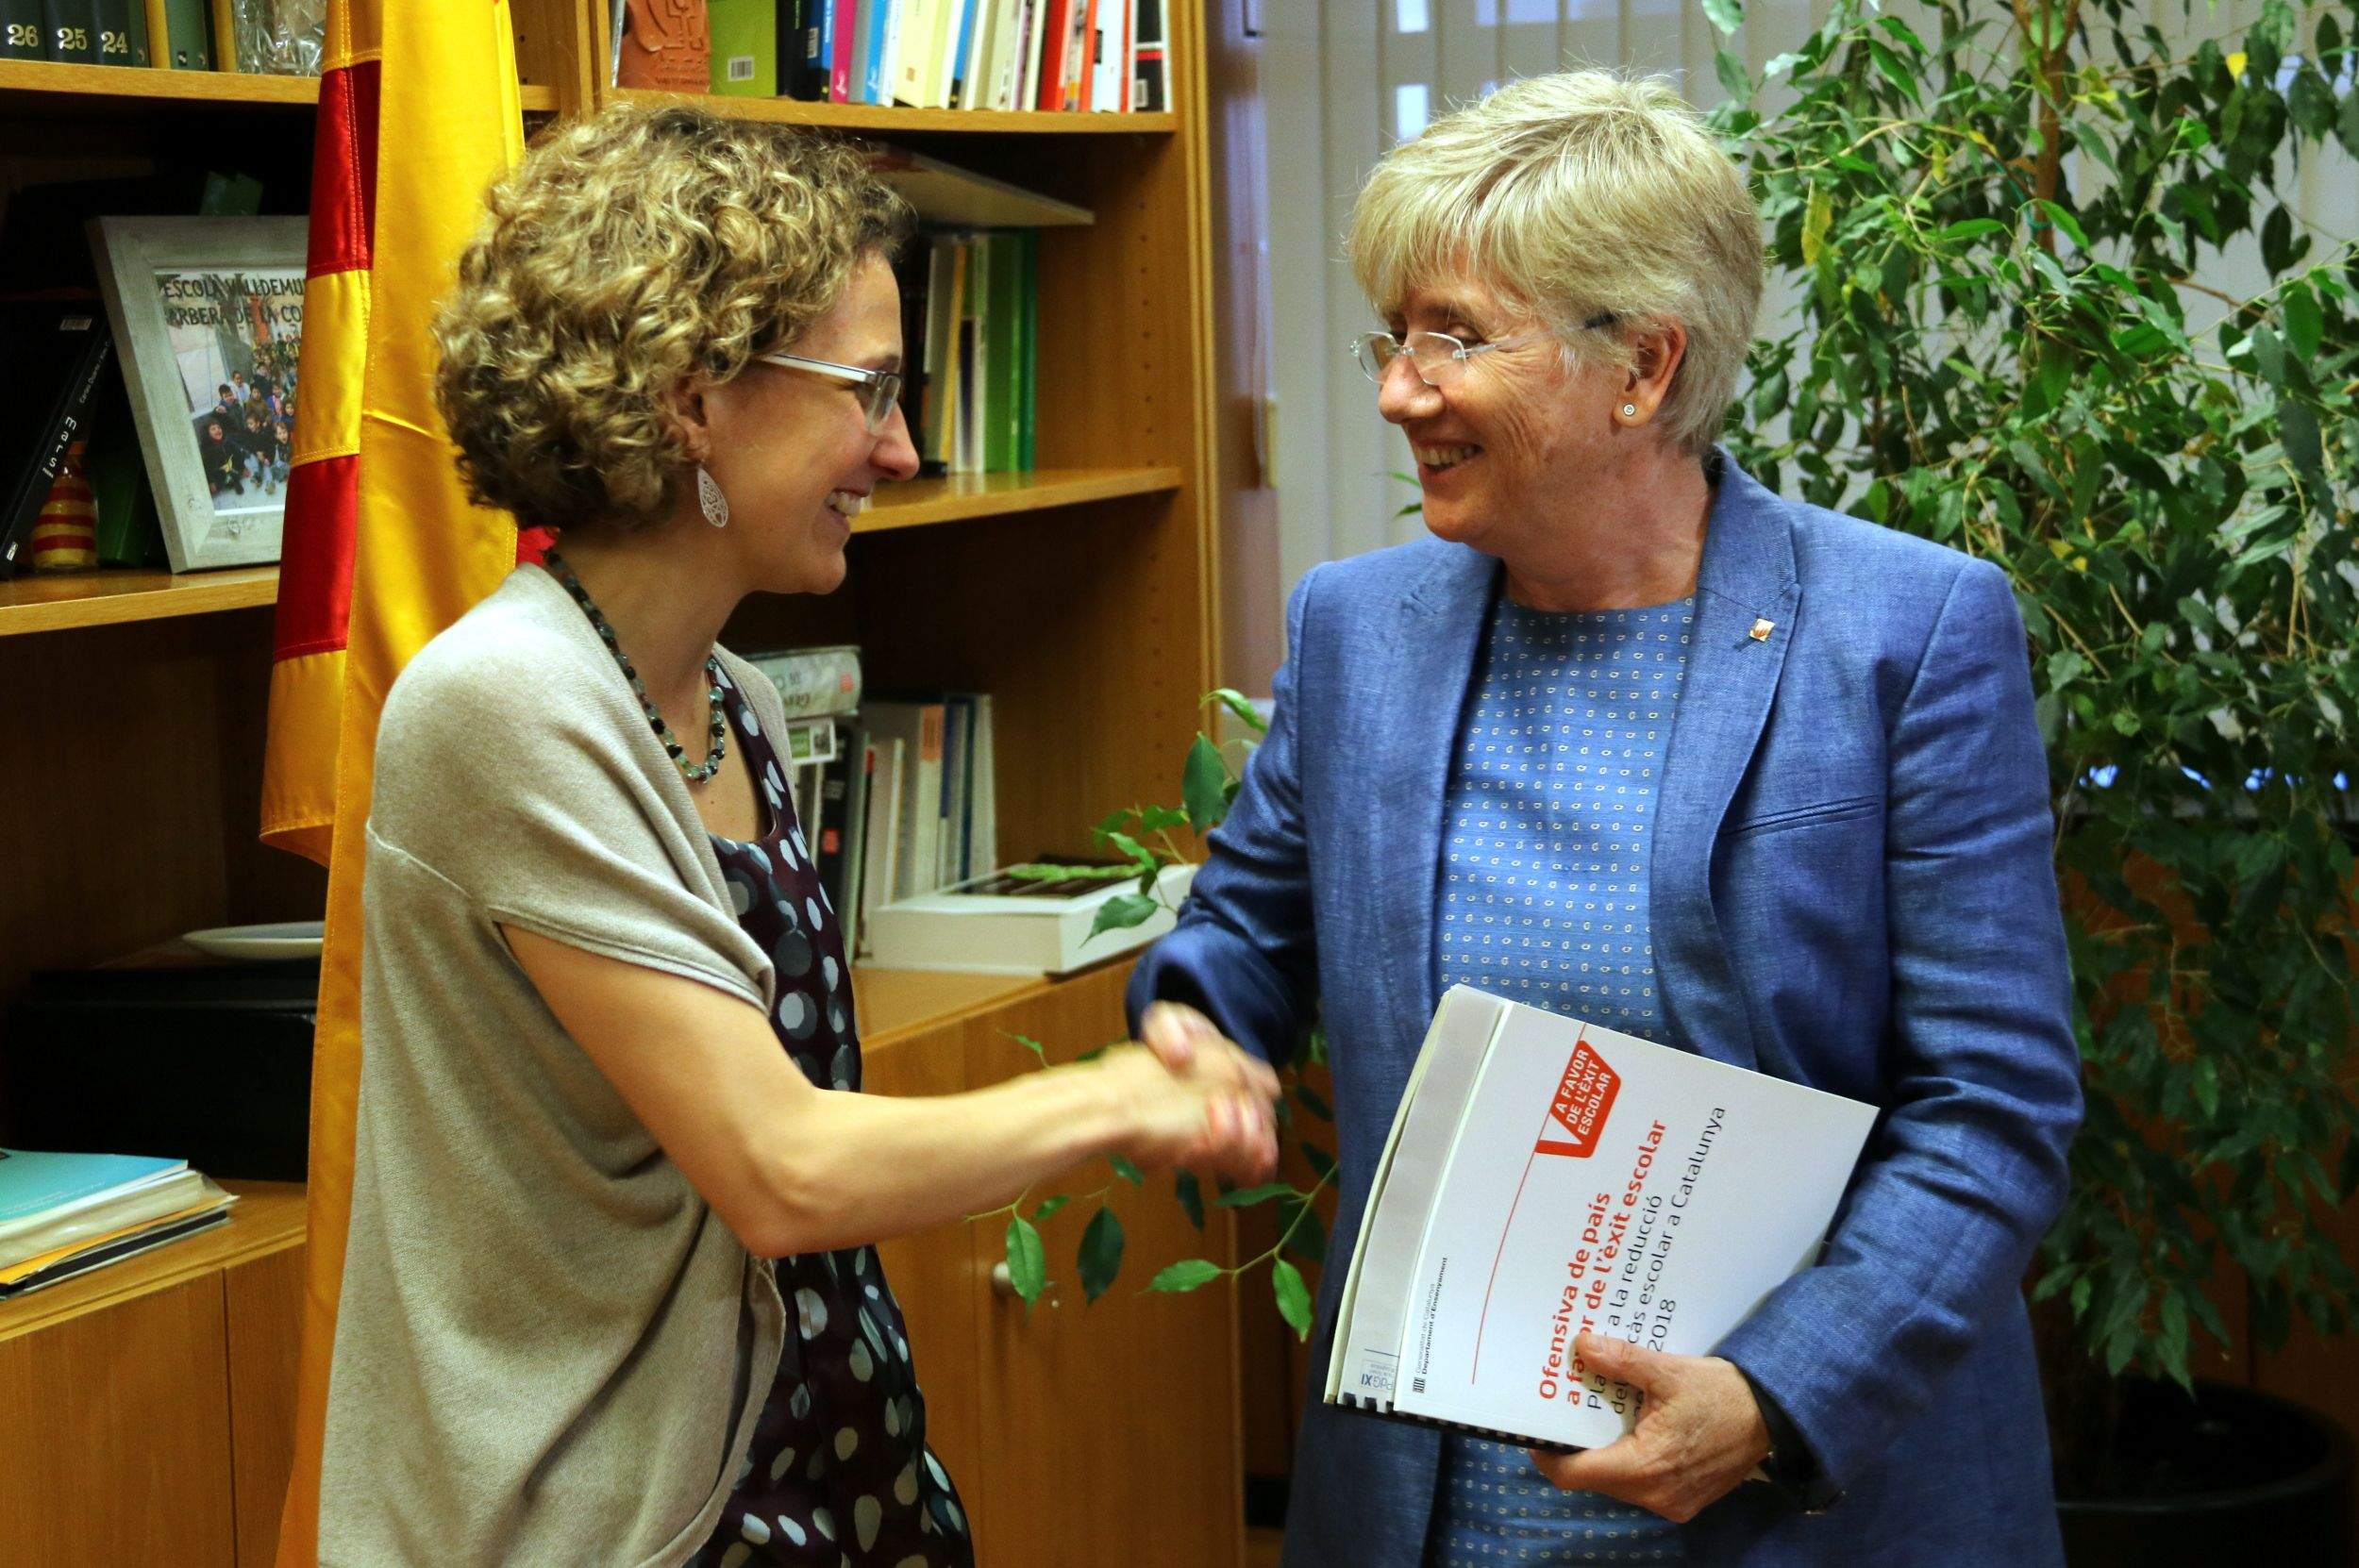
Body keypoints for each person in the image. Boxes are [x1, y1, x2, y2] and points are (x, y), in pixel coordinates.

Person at [1127, 71, 2083, 1568]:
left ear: (1642, 366)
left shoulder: (1908, 633)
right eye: (1394, 334)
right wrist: (1202, 1024)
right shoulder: (1356, 629)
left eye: (1455, 337)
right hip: (1434, 1506)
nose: (1397, 389)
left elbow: (1993, 1110)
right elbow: (1247, 929)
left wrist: (1772, 1394)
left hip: (1794, 1500)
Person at [317, 102, 1280, 1567]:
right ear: (693, 396)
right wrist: (1121, 1095)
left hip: (829, 1466)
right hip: (608, 1519)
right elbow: (781, 1170)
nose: (901, 451)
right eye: (870, 390)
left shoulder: (745, 704)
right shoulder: (501, 707)